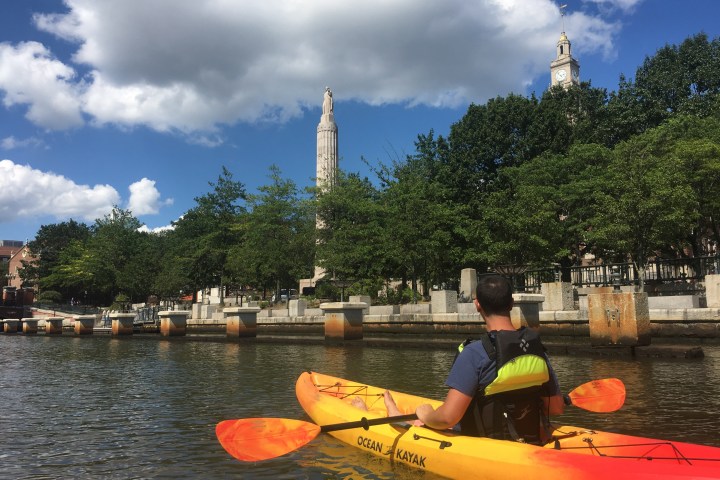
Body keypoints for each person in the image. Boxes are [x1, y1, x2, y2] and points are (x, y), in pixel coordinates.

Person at [389, 274, 564, 444]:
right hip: (528, 439)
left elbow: (447, 419)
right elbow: (556, 408)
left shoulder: (475, 353)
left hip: (484, 445)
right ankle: (393, 410)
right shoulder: (536, 349)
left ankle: (394, 413)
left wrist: (425, 414)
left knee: (423, 421)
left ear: (477, 305)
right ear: (511, 303)